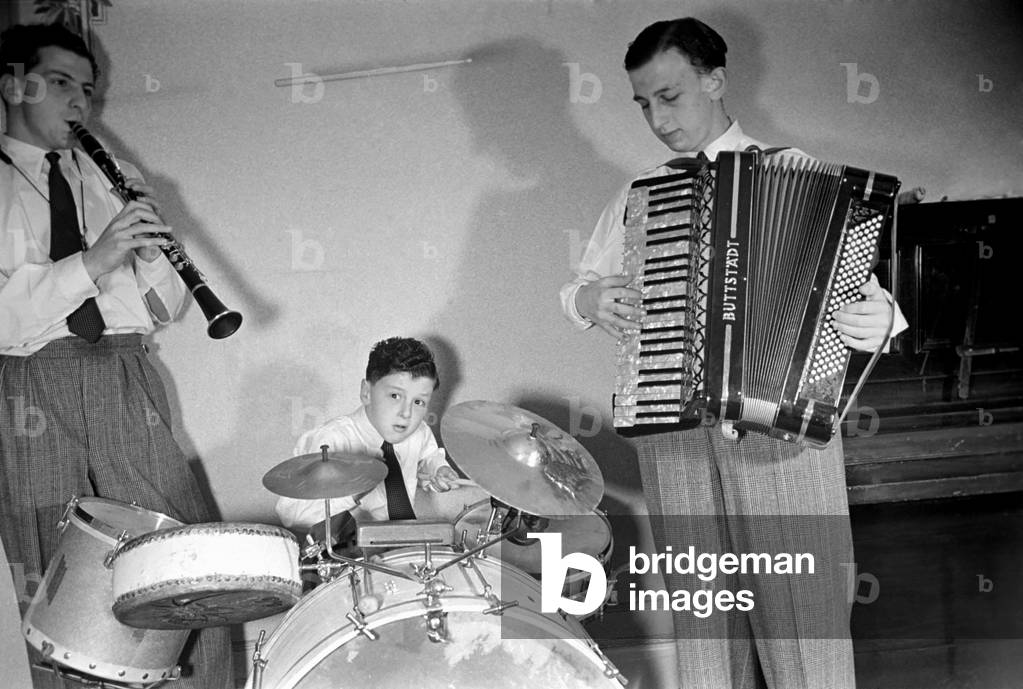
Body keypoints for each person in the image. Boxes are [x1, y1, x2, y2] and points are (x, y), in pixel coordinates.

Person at [559, 18, 908, 689]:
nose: (657, 120)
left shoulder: (797, 172)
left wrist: (883, 317)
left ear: (715, 79)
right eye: (642, 105)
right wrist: (587, 302)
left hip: (782, 439)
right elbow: (578, 286)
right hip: (677, 440)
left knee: (807, 634)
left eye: (670, 96)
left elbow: (871, 299)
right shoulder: (642, 193)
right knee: (705, 633)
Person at [0, 23, 232, 688]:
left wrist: (155, 253)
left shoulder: (116, 177)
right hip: (30, 381)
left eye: (89, 90)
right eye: (63, 83)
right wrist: (94, 259)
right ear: (15, 84)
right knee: (57, 574)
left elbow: (165, 307)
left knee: (178, 555)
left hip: (125, 369)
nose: (81, 102)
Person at [275, 336, 460, 534]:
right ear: (366, 393)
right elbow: (291, 514)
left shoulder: (419, 432)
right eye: (395, 396)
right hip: (349, 553)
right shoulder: (333, 440)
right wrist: (352, 494)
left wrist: (439, 469)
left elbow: (430, 457)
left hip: (403, 543)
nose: (406, 413)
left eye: (418, 402)